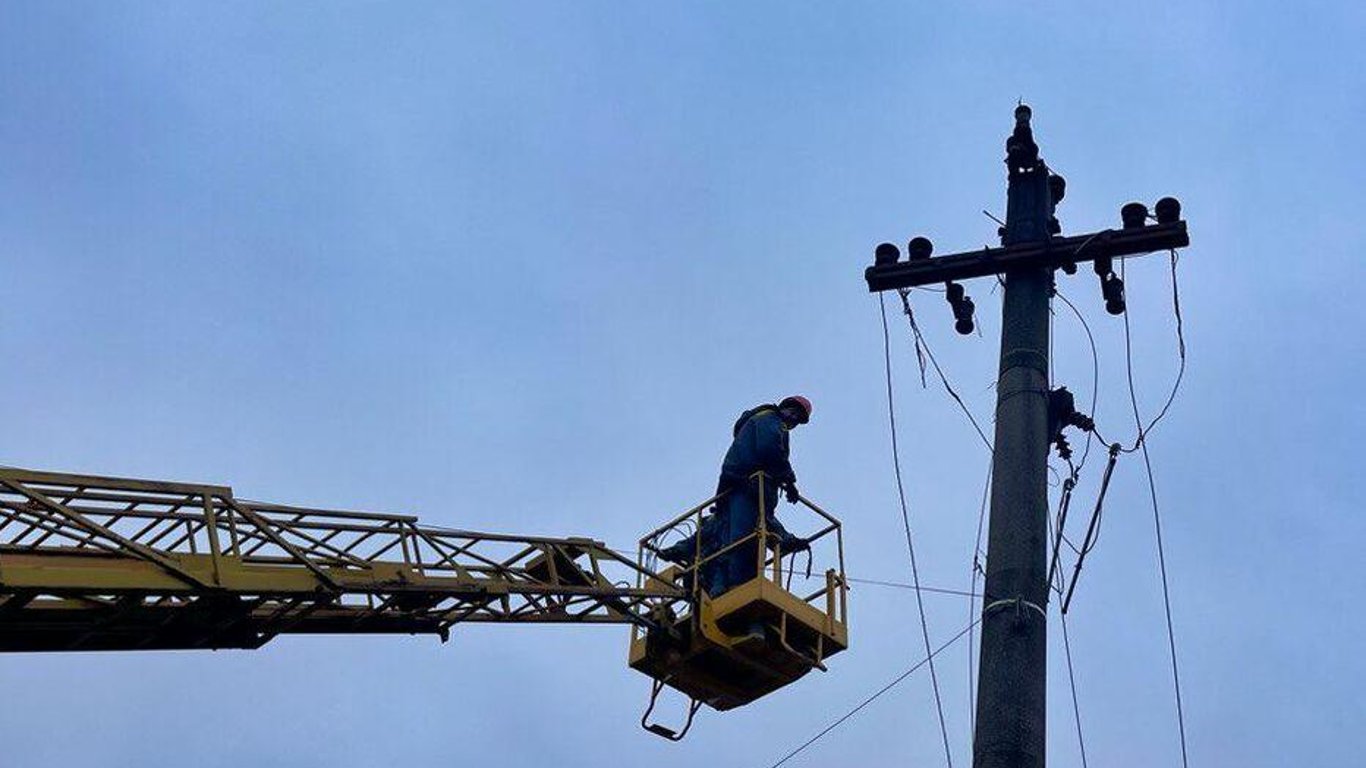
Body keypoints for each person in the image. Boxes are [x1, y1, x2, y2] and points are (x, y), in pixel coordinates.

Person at [703, 395, 812, 597]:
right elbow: (770, 450)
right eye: (794, 414)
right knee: (745, 538)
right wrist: (789, 481)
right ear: (785, 407)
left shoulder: (761, 422)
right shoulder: (770, 420)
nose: (795, 420)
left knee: (739, 533)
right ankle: (738, 587)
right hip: (748, 483)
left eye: (799, 420)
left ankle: (721, 586)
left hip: (738, 483)